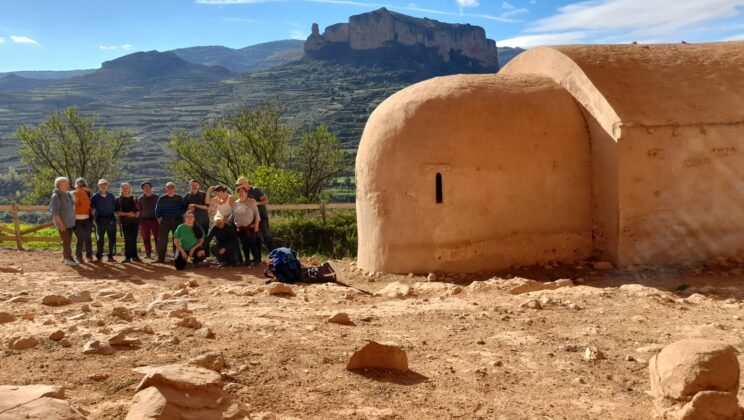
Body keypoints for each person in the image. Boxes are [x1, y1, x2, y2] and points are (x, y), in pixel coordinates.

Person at [236, 176, 273, 251]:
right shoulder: (242, 191)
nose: (239, 185)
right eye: (238, 184)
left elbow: (266, 201)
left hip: (262, 216)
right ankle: (257, 258)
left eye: (240, 184)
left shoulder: (256, 190)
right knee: (256, 237)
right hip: (252, 219)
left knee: (266, 235)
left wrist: (257, 203)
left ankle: (273, 254)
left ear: (246, 183)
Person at [228, 186, 261, 266]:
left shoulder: (251, 201)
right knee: (244, 245)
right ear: (237, 193)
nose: (241, 193)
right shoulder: (235, 203)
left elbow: (257, 214)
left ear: (246, 193)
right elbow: (233, 215)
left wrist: (256, 225)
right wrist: (227, 223)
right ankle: (247, 260)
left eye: (243, 191)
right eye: (239, 191)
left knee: (252, 244)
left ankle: (257, 260)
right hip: (240, 228)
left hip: (250, 227)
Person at [155, 182, 186, 263]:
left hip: (177, 221)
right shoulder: (162, 198)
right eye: (168, 187)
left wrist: (183, 219)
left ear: (175, 188)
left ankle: (177, 258)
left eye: (172, 187)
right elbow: (157, 209)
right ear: (166, 189)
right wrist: (159, 219)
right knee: (162, 240)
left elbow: (184, 209)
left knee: (176, 240)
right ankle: (160, 258)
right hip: (165, 221)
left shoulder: (179, 198)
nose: (170, 189)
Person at [50, 176, 78, 266]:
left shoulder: (67, 194)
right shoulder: (56, 196)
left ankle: (64, 256)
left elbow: (71, 204)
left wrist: (74, 200)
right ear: (59, 185)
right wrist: (61, 224)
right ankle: (69, 259)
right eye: (65, 183)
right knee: (66, 241)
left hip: (69, 222)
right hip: (63, 223)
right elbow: (55, 212)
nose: (68, 184)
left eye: (67, 183)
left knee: (68, 241)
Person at [91, 179, 117, 262]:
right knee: (100, 239)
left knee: (112, 238)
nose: (103, 186)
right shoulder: (94, 197)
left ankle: (110, 256)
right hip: (100, 219)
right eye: (101, 185)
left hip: (111, 218)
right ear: (98, 186)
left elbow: (115, 207)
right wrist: (94, 219)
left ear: (107, 186)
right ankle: (99, 256)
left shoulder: (111, 196)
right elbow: (91, 209)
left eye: (105, 184)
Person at [116, 182, 141, 263]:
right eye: (123, 188)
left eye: (127, 188)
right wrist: (127, 214)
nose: (125, 189)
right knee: (127, 239)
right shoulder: (119, 199)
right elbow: (117, 212)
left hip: (134, 222)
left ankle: (135, 256)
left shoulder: (134, 199)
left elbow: (138, 211)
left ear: (130, 188)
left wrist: (135, 214)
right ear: (121, 189)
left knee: (134, 239)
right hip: (125, 222)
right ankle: (127, 257)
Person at [72, 178, 93, 263]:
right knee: (80, 239)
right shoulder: (72, 194)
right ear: (76, 186)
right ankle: (78, 256)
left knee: (88, 238)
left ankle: (89, 256)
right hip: (76, 220)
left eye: (83, 185)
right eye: (79, 185)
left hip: (87, 219)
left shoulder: (88, 193)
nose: (81, 187)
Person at [137, 181, 159, 259]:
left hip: (155, 220)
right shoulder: (140, 198)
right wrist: (139, 222)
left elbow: (160, 208)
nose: (147, 188)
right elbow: (139, 210)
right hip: (144, 221)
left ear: (151, 187)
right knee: (146, 238)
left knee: (157, 238)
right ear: (143, 189)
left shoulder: (157, 197)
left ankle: (159, 254)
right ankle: (148, 254)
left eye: (148, 186)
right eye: (145, 187)